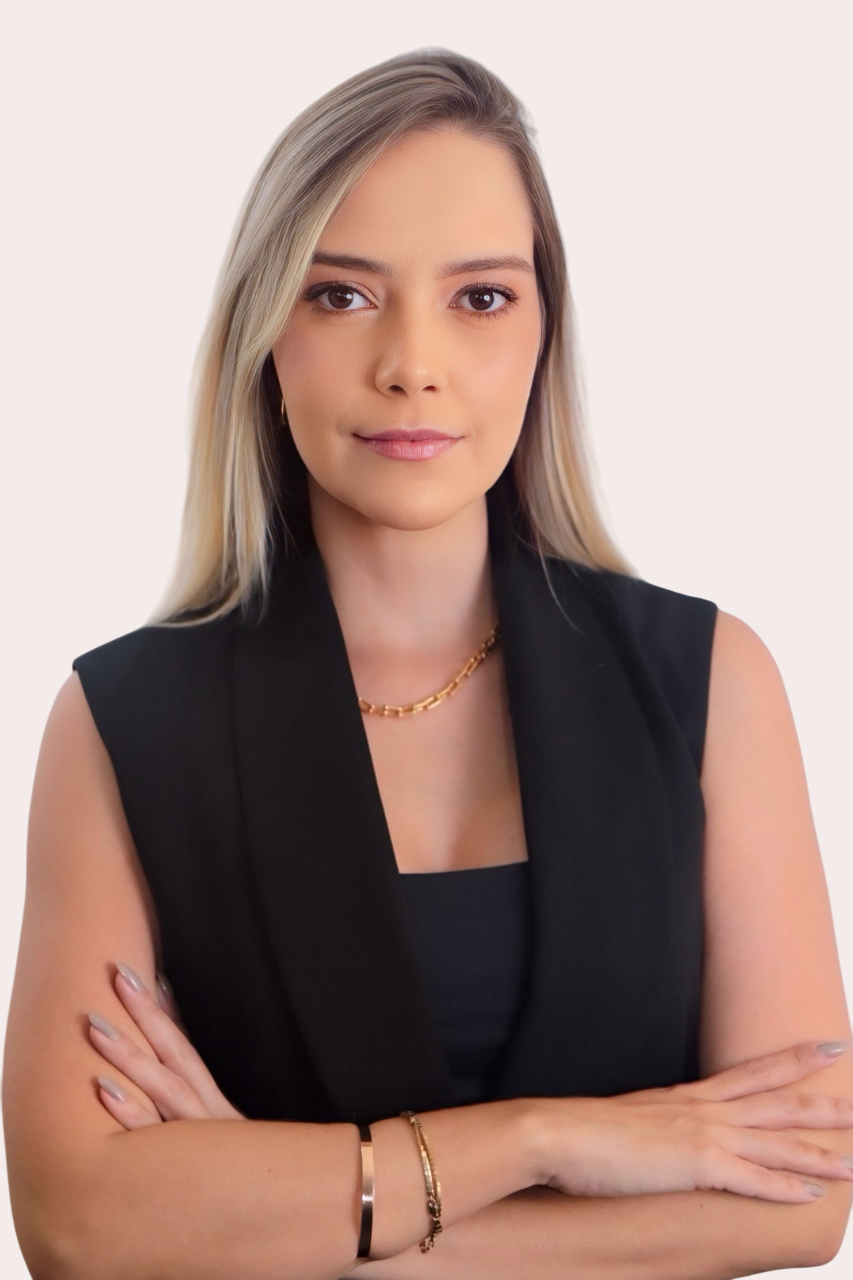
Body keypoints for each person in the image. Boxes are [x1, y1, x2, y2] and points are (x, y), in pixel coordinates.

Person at [4, 47, 852, 1280]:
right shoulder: (124, 719)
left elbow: (803, 1193)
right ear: (266, 333)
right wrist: (545, 1138)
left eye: (482, 296)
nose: (412, 361)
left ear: (545, 332)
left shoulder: (710, 680)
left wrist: (311, 1220)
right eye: (342, 294)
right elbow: (79, 1223)